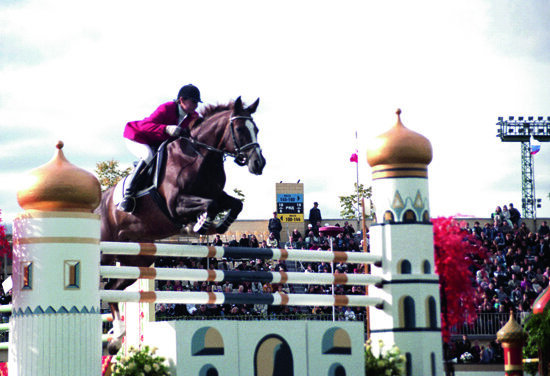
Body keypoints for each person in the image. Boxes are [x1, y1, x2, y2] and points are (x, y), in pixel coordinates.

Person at [118, 84, 202, 213]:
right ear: (181, 100)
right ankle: (129, 194)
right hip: (137, 137)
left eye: (197, 102)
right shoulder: (166, 108)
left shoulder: (192, 116)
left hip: (156, 143)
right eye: (193, 102)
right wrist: (166, 128)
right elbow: (145, 126)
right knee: (147, 155)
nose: (196, 105)